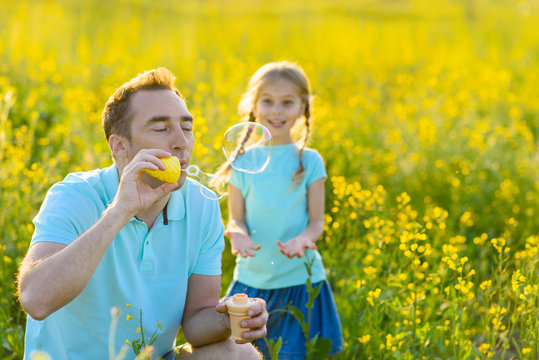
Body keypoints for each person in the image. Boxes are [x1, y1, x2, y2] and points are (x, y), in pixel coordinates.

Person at [17, 68, 268, 360]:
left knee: (238, 353)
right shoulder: (74, 196)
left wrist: (227, 319)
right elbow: (36, 300)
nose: (181, 142)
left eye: (186, 128)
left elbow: (196, 321)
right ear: (119, 146)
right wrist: (119, 212)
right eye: (161, 129)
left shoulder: (202, 204)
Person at [222, 61, 344, 359]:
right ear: (254, 104)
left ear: (303, 107)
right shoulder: (243, 161)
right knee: (244, 355)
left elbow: (317, 222)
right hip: (253, 281)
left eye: (287, 102)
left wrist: (303, 239)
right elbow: (235, 220)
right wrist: (237, 236)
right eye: (268, 101)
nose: (277, 111)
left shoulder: (311, 161)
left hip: (299, 281)